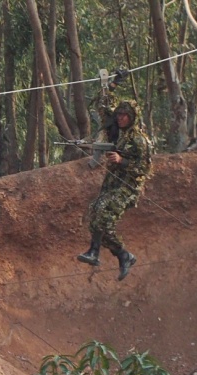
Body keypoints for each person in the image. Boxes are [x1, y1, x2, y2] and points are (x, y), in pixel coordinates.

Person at [77, 99, 153, 281]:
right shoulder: (116, 133)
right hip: (111, 184)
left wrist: (121, 161)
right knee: (94, 214)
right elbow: (102, 106)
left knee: (103, 213)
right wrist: (111, 84)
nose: (120, 118)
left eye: (124, 115)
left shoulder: (139, 140)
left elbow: (144, 168)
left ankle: (109, 253)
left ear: (132, 117)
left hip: (128, 188)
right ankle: (114, 254)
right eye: (118, 114)